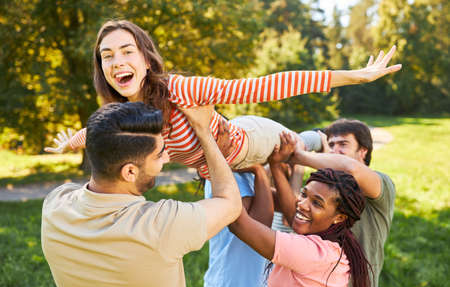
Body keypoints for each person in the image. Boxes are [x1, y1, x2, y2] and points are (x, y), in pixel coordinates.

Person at [45, 19, 402, 179]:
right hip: (217, 168)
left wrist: (353, 76)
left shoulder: (180, 90)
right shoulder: (122, 113)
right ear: (100, 67)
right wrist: (67, 145)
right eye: (107, 56)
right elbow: (95, 134)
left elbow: (265, 87)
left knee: (297, 146)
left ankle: (320, 136)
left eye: (126, 51)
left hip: (247, 142)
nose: (118, 62)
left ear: (146, 58)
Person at [41, 102, 241, 287]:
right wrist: (204, 133)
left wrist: (102, 143)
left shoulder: (55, 205)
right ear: (129, 172)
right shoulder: (161, 226)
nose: (167, 158)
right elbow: (230, 202)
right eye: (159, 154)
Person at [287, 118, 396, 287]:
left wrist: (301, 156)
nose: (335, 150)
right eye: (330, 145)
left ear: (363, 151)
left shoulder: (381, 183)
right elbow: (293, 213)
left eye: (343, 144)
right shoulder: (326, 190)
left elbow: (351, 170)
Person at [228, 165, 371, 287]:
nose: (301, 204)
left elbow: (238, 224)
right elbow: (267, 215)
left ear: (339, 217)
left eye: (317, 203)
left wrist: (217, 162)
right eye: (304, 194)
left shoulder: (314, 253)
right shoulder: (333, 247)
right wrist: (260, 171)